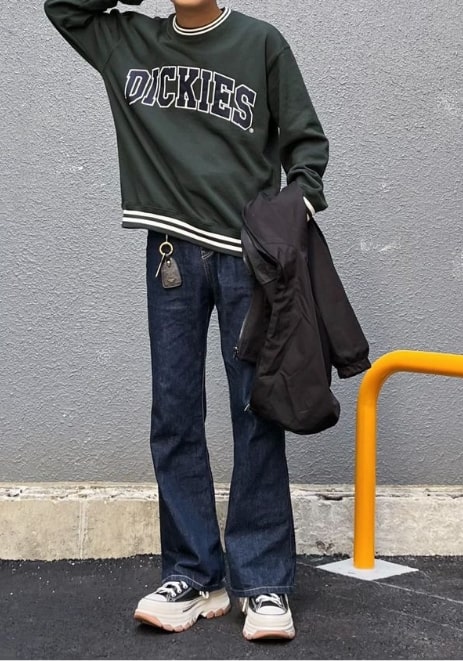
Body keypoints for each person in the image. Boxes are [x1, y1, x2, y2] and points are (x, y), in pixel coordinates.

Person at [43, 0, 329, 641]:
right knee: (173, 413)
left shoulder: (260, 43)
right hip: (169, 252)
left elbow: (306, 144)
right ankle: (195, 573)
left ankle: (263, 581)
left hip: (247, 259)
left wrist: (293, 210)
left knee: (256, 412)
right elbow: (63, 9)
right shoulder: (128, 41)